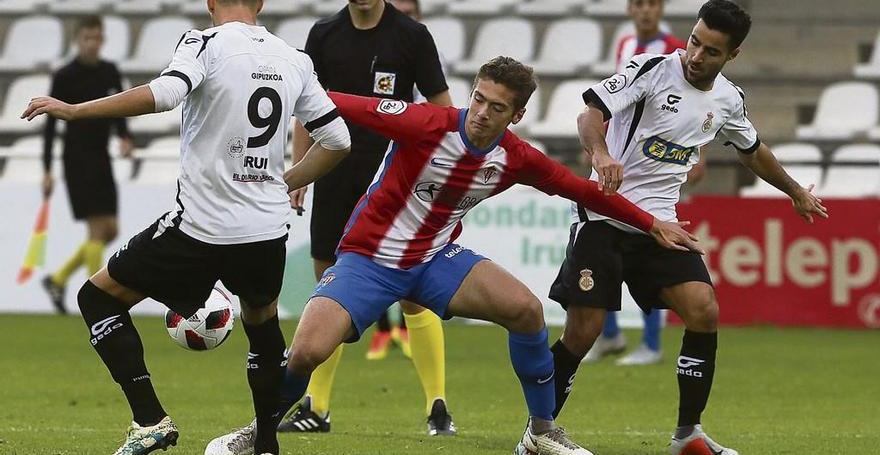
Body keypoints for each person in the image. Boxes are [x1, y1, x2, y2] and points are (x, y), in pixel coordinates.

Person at [207, 56, 702, 455]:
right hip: (369, 258)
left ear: (517, 115)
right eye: (479, 99)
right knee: (308, 352)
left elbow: (587, 192)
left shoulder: (516, 157)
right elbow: (333, 104)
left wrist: (652, 222)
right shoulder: (425, 123)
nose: (482, 113)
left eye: (497, 107)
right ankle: (256, 430)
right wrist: (264, 78)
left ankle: (541, 432)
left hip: (436, 259)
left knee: (527, 312)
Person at [22, 0, 352, 454]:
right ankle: (265, 443)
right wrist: (284, 182)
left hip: (200, 228)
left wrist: (75, 110)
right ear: (260, 3)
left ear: (209, 0)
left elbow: (165, 94)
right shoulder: (294, 59)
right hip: (265, 231)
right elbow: (338, 140)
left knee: (98, 299)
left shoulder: (203, 43)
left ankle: (150, 420)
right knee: (261, 326)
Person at [543, 0, 828, 455]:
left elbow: (752, 150)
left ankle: (688, 436)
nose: (696, 56)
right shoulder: (652, 69)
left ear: (731, 56)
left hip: (661, 225)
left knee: (703, 309)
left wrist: (794, 191)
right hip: (605, 215)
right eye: (695, 41)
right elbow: (589, 114)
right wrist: (600, 155)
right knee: (583, 331)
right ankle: (538, 432)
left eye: (711, 51)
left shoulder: (728, 100)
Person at [280, 0, 457, 436]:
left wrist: (443, 178)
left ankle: (437, 406)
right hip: (334, 178)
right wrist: (299, 174)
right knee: (327, 291)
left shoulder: (411, 37)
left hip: (398, 187)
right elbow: (304, 109)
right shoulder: (322, 36)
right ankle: (316, 408)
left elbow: (443, 114)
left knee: (415, 294)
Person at [585, 0, 700, 367]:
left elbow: (692, 110)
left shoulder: (672, 53)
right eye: (639, 3)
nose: (646, 9)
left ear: (661, 7)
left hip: (659, 167)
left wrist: (697, 159)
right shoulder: (625, 47)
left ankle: (650, 342)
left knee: (653, 250)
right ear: (630, 9)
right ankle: (612, 335)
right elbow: (616, 103)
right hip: (621, 162)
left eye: (652, 3)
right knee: (607, 249)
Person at [40, 15, 133, 315]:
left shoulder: (110, 71)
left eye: (97, 38)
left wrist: (124, 136)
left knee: (111, 230)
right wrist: (47, 170)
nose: (93, 44)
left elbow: (119, 108)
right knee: (97, 230)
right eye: (87, 38)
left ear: (102, 40)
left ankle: (57, 279)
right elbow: (50, 127)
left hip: (101, 157)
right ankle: (99, 301)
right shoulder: (65, 76)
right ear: (77, 40)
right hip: (77, 160)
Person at [361, 0, 434, 362]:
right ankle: (384, 330)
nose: (405, 17)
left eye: (411, 12)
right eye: (400, 11)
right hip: (374, 164)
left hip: (413, 174)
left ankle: (402, 330)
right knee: (363, 256)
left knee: (407, 262)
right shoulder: (383, 52)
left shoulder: (423, 56)